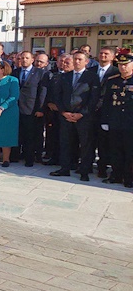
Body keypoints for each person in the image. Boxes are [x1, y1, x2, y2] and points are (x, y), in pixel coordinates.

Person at [49, 52, 100, 181]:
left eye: (80, 59)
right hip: (66, 115)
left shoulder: (92, 77)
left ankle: (84, 171)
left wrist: (81, 113)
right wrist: (63, 112)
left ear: (86, 62)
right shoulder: (65, 76)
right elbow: (58, 96)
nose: (77, 61)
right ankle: (64, 168)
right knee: (65, 143)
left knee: (85, 144)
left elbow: (94, 99)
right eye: (75, 59)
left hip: (83, 117)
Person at [98, 53, 133, 188]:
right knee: (115, 150)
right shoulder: (112, 80)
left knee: (129, 151)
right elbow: (106, 102)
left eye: (126, 65)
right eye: (120, 65)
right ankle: (116, 175)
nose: (123, 67)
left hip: (130, 123)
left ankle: (129, 177)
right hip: (115, 121)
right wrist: (104, 120)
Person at [12, 51, 48, 167]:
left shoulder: (40, 73)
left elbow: (42, 92)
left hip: (31, 109)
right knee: (17, 133)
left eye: (27, 58)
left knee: (30, 135)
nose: (24, 60)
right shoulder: (15, 72)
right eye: (22, 58)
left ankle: (29, 158)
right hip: (16, 108)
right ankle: (15, 156)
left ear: (32, 60)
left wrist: (40, 109)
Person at [91, 46, 119, 178]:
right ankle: (86, 165)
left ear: (113, 57)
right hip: (89, 111)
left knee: (104, 143)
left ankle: (103, 168)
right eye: (101, 53)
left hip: (106, 112)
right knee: (89, 140)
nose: (103, 56)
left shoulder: (117, 72)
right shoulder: (90, 71)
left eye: (106, 54)